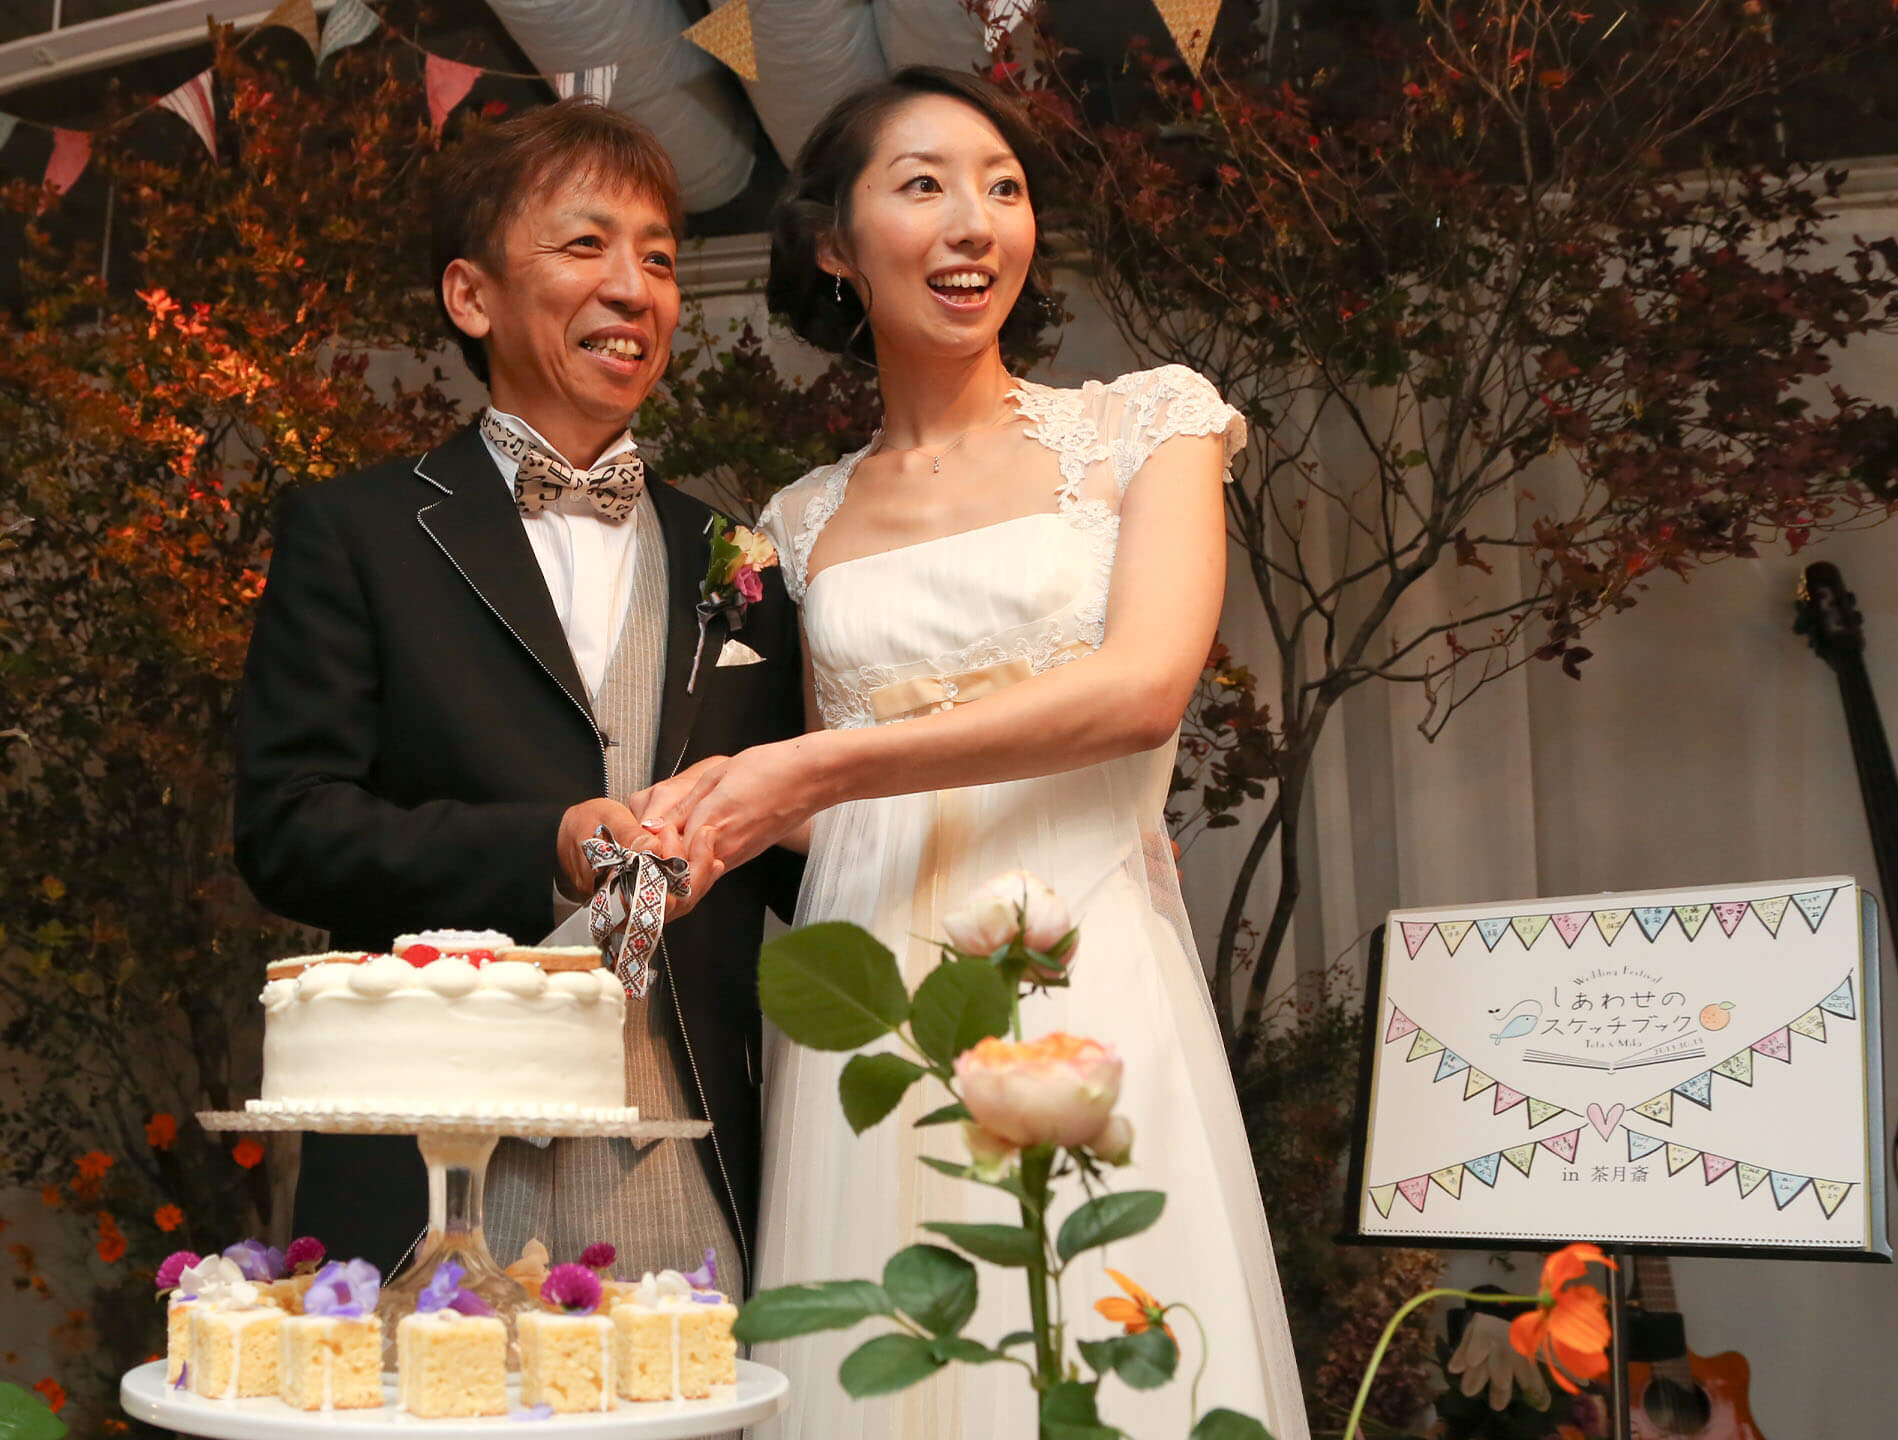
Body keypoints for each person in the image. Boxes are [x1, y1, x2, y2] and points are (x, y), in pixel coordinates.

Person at [635, 70, 1312, 1438]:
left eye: (1003, 186)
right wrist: (716, 805)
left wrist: (817, 769)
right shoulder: (796, 522)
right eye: (924, 185)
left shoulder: (1150, 427)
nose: (975, 222)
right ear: (835, 242)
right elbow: (827, 809)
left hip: (1081, 964)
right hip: (871, 993)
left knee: (1101, 1347)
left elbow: (1141, 692)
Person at [233, 100, 807, 1284]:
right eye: (586, 245)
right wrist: (541, 846)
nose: (634, 288)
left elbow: (795, 865)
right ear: (471, 295)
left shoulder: (738, 560)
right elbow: (289, 830)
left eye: (660, 258)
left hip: (682, 1153)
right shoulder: (359, 532)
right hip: (434, 1159)